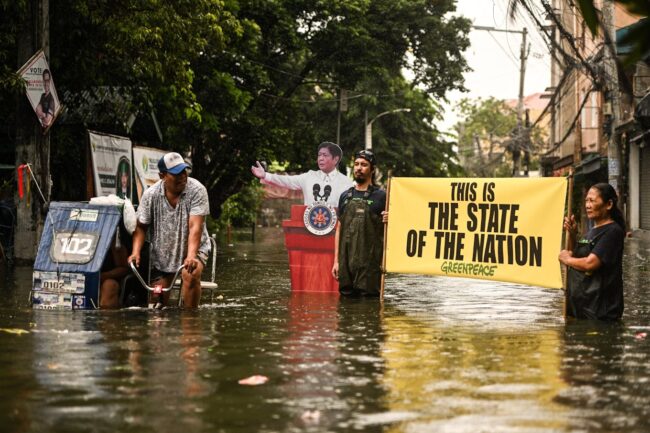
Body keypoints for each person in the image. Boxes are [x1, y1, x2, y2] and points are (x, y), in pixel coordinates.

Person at [128, 152, 211, 308]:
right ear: (162, 176)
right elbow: (141, 226)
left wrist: (191, 255)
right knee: (156, 303)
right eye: (176, 174)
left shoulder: (197, 190)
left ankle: (190, 320)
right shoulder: (151, 195)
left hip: (193, 249)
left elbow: (195, 226)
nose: (182, 177)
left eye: (184, 172)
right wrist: (135, 252)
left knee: (191, 274)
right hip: (163, 256)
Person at [559, 183, 626, 321]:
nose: (588, 205)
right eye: (586, 201)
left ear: (609, 204)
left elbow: (590, 263)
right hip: (583, 307)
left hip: (600, 312)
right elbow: (576, 256)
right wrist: (572, 235)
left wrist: (566, 259)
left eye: (592, 201)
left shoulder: (613, 231)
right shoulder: (591, 232)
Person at [332, 149, 388, 296]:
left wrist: (389, 219)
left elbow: (392, 230)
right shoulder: (345, 196)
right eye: (356, 164)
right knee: (345, 304)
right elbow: (339, 228)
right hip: (346, 265)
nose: (359, 168)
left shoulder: (382, 196)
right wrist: (336, 261)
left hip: (370, 267)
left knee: (367, 304)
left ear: (372, 169)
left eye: (364, 165)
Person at [251, 141, 353, 207]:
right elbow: (287, 181)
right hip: (308, 229)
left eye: (325, 155)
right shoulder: (309, 177)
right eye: (319, 155)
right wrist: (265, 175)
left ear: (335, 159)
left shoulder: (346, 182)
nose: (320, 159)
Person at [99, 233, 130, 309]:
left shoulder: (114, 243)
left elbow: (124, 269)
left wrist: (101, 276)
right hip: (80, 277)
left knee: (110, 285)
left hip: (107, 278)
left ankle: (106, 314)